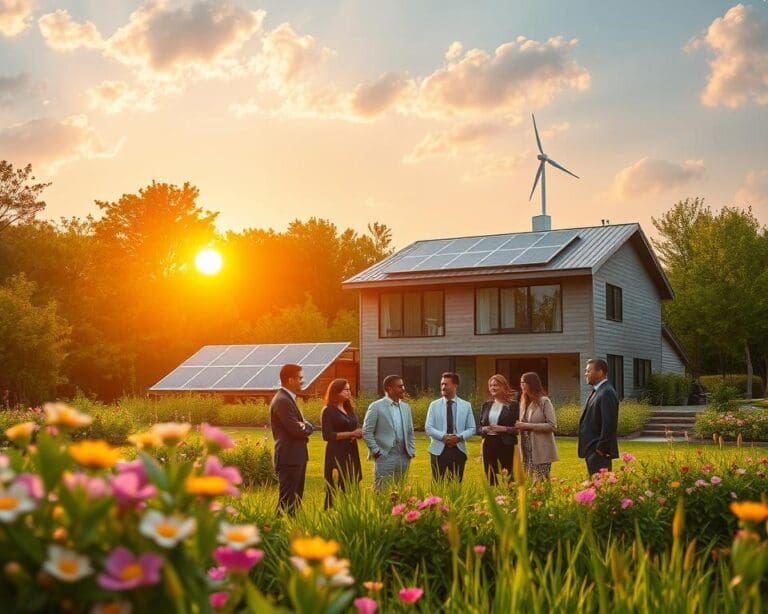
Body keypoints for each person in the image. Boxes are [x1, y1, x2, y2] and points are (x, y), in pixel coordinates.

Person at [270, 363, 315, 515]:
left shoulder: (288, 399)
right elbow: (296, 429)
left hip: (295, 457)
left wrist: (304, 425)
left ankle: (289, 533)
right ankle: (276, 534)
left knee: (294, 500)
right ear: (290, 380)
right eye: (300, 378)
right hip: (289, 458)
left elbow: (300, 426)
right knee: (287, 501)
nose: (302, 381)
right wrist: (308, 426)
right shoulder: (282, 401)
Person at [362, 374, 416, 491]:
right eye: (400, 386)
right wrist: (377, 451)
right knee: (381, 493)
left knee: (400, 493)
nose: (403, 389)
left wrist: (411, 449)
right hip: (385, 456)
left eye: (403, 386)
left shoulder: (406, 408)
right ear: (389, 388)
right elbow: (367, 432)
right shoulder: (376, 407)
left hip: (404, 456)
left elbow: (410, 431)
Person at [425, 372, 475, 482]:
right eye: (442, 384)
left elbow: (472, 428)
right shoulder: (434, 405)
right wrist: (444, 437)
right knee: (437, 486)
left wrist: (458, 438)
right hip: (438, 450)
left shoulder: (466, 405)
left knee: (456, 486)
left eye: (446, 384)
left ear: (455, 385)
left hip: (458, 450)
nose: (443, 387)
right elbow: (428, 427)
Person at [321, 378, 363, 509]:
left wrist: (358, 434)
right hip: (336, 453)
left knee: (352, 484)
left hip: (351, 451)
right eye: (346, 389)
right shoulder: (328, 411)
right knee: (334, 487)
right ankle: (331, 515)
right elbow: (327, 435)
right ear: (336, 392)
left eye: (349, 389)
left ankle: (351, 514)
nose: (349, 392)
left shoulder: (349, 409)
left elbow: (353, 428)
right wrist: (351, 434)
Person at [578, 358, 619, 476]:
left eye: (588, 371)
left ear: (600, 372)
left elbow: (609, 424)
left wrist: (601, 448)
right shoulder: (598, 391)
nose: (585, 373)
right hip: (591, 450)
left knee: (600, 486)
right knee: (596, 487)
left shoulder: (607, 392)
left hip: (598, 451)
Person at [514, 371, 559, 481]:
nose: (521, 385)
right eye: (520, 382)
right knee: (529, 483)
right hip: (526, 449)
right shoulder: (525, 402)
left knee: (541, 482)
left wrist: (526, 425)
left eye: (524, 382)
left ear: (532, 383)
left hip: (540, 450)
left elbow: (552, 425)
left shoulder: (544, 401)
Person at [478, 374, 519, 485]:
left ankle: (510, 499)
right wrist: (484, 429)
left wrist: (504, 429)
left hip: (506, 444)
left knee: (509, 476)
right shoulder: (486, 405)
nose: (493, 388)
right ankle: (495, 499)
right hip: (489, 444)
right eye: (491, 385)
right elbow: (479, 428)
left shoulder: (513, 405)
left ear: (503, 387)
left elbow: (518, 429)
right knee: (490, 474)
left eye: (496, 385)